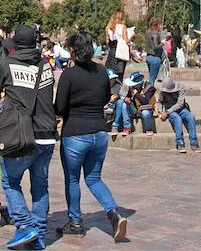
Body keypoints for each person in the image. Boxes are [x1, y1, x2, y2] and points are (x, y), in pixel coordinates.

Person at [0, 26, 56, 250]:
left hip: (22, 136)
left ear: (15, 45)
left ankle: (25, 226)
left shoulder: (7, 64)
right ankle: (40, 237)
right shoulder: (46, 65)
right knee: (40, 186)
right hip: (47, 136)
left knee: (10, 180)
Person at [54, 31, 127, 243]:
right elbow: (105, 98)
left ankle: (75, 222)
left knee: (72, 179)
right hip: (99, 134)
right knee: (94, 178)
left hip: (76, 134)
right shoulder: (102, 71)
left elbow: (59, 107)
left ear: (74, 51)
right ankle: (114, 213)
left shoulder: (70, 74)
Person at [158, 77, 200, 153]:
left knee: (191, 117)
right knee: (177, 119)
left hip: (181, 109)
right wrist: (160, 112)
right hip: (169, 109)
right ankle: (180, 142)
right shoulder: (163, 90)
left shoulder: (181, 87)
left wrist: (167, 112)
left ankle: (194, 142)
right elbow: (160, 102)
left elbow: (180, 104)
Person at [124, 71, 156, 136]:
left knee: (145, 113)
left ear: (139, 84)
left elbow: (145, 101)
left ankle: (148, 129)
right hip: (136, 110)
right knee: (124, 105)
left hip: (146, 109)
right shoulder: (132, 88)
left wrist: (136, 94)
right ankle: (127, 127)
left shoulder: (150, 88)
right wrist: (126, 99)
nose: (132, 86)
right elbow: (128, 97)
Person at [104, 10, 130, 81]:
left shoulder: (108, 28)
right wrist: (131, 36)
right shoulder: (122, 27)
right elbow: (126, 41)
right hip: (120, 54)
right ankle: (116, 91)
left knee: (110, 75)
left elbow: (107, 42)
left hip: (111, 53)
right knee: (119, 76)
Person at [144, 17, 165, 86]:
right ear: (157, 24)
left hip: (148, 57)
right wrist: (163, 43)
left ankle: (149, 94)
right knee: (152, 80)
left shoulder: (147, 32)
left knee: (151, 77)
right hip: (155, 59)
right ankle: (149, 95)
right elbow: (156, 47)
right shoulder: (155, 34)